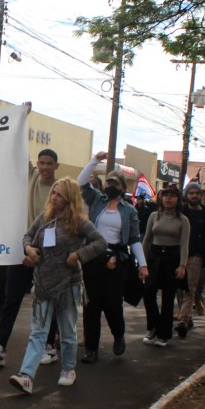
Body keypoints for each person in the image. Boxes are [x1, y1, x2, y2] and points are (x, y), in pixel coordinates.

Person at [9, 178, 106, 393]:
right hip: (43, 283)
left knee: (67, 331)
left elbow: (100, 243)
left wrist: (78, 255)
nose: (54, 197)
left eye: (59, 194)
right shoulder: (44, 217)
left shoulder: (79, 222)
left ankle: (68, 369)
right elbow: (27, 236)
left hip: (67, 285)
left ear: (69, 198)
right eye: (53, 193)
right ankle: (26, 376)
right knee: (38, 332)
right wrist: (29, 250)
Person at [0, 148, 60, 366]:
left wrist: (37, 252)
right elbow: (18, 147)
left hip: (48, 254)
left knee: (47, 302)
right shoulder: (31, 176)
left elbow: (59, 227)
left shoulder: (59, 189)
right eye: (41, 163)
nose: (44, 167)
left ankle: (50, 346)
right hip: (23, 249)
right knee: (11, 298)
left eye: (49, 163)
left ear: (56, 166)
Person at [77, 152, 149, 363]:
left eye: (114, 183)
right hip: (94, 257)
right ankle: (91, 349)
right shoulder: (97, 200)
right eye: (108, 182)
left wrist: (143, 264)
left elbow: (134, 239)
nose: (110, 186)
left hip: (117, 261)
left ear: (122, 187)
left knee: (112, 304)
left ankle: (118, 334)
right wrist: (94, 160)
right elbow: (81, 182)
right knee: (92, 306)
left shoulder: (129, 210)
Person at [141, 186, 189, 346]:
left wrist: (182, 265)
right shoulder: (154, 216)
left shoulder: (183, 220)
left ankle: (164, 335)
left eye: (172, 196)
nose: (168, 198)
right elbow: (147, 239)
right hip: (154, 257)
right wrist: (142, 262)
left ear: (178, 199)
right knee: (148, 293)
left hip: (172, 258)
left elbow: (184, 244)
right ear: (161, 198)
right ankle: (154, 327)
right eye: (165, 195)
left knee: (168, 298)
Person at [177, 182, 205, 338]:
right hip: (178, 254)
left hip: (197, 256)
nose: (194, 196)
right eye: (191, 193)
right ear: (186, 195)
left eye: (197, 193)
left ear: (200, 195)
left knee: (190, 288)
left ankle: (182, 321)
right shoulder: (180, 212)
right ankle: (187, 317)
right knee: (179, 289)